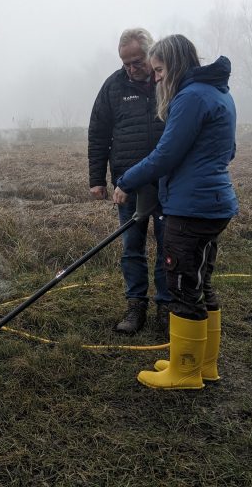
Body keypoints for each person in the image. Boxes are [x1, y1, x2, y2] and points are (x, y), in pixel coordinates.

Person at [113, 34, 239, 390]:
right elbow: (229, 151)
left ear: (176, 64)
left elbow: (165, 155)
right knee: (200, 283)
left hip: (192, 208)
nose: (155, 78)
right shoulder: (218, 93)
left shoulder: (190, 98)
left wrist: (126, 181)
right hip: (212, 203)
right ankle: (203, 364)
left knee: (182, 286)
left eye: (158, 70)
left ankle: (184, 372)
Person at [88, 28, 170, 335]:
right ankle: (136, 306)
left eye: (137, 61)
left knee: (167, 246)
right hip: (129, 184)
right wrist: (97, 179)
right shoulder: (113, 86)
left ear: (150, 55)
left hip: (166, 182)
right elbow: (98, 132)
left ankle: (166, 307)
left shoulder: (168, 82)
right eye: (126, 63)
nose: (131, 69)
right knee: (131, 248)